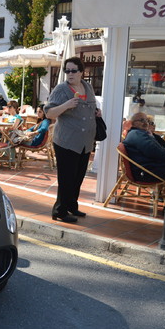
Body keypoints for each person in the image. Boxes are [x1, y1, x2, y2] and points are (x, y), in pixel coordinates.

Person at [45, 57, 100, 223]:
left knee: (78, 177)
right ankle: (59, 211)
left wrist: (97, 112)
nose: (69, 74)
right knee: (66, 178)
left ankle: (72, 206)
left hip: (85, 141)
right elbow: (49, 113)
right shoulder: (61, 90)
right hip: (66, 142)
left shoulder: (88, 87)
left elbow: (91, 106)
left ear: (81, 72)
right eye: (67, 71)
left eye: (73, 70)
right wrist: (66, 105)